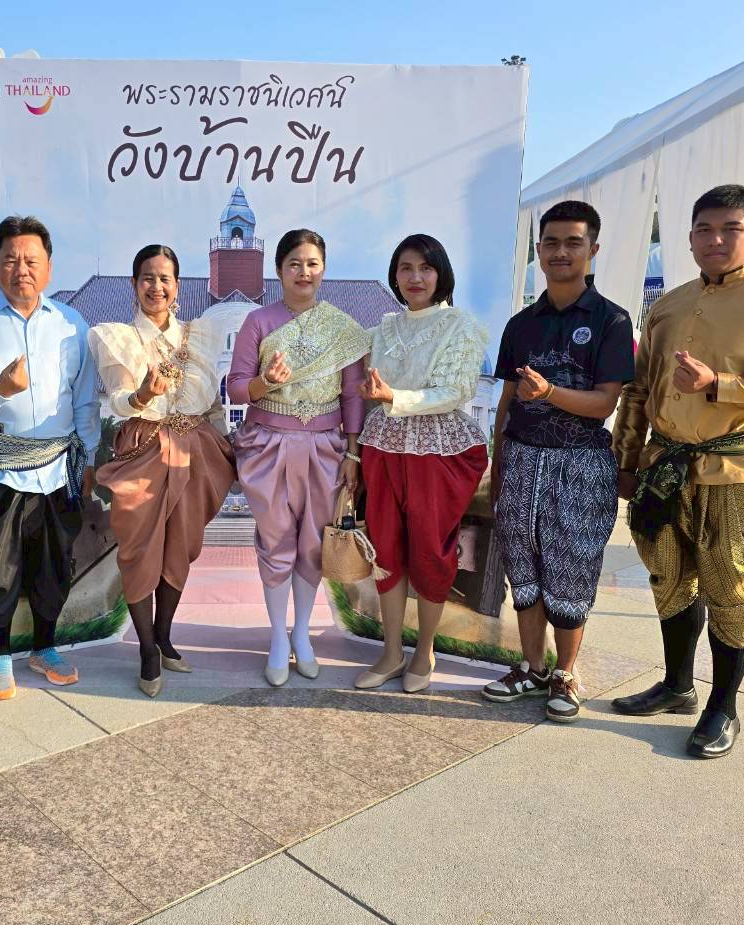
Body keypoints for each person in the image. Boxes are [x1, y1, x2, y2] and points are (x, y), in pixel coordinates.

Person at [611, 184, 744, 758]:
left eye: (730, 229)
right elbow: (638, 390)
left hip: (739, 471)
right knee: (669, 580)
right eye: (704, 229)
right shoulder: (668, 305)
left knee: (733, 589)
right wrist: (625, 461)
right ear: (688, 238)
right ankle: (678, 685)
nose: (716, 240)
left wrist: (719, 386)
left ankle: (723, 707)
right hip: (664, 466)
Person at [479, 202, 636, 722]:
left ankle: (565, 672)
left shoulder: (611, 320)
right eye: (551, 243)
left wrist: (549, 393)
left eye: (573, 242)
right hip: (524, 459)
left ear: (592, 249)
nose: (561, 252)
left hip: (579, 465)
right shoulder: (522, 323)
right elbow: (506, 401)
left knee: (571, 568)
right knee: (522, 566)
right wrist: (499, 466)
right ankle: (531, 666)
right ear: (538, 251)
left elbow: (605, 402)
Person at [0, 215, 100, 700]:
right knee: (0, 569)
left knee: (54, 566)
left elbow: (85, 398)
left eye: (31, 260)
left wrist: (89, 458)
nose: (21, 269)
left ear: (49, 268)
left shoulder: (70, 324)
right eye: (10, 259)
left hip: (58, 469)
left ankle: (45, 647)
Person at [89, 245, 237, 697]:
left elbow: (212, 403)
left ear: (177, 287)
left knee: (181, 547)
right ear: (134, 285)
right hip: (142, 444)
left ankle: (166, 636)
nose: (156, 286)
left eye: (165, 278)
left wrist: (222, 449)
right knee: (138, 548)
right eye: (147, 278)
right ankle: (147, 649)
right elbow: (114, 402)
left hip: (196, 450)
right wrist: (140, 396)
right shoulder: (117, 337)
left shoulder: (201, 335)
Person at [227, 229, 369, 686]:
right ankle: (276, 638)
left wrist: (353, 452)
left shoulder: (344, 328)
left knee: (313, 541)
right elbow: (235, 387)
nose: (303, 272)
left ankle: (302, 635)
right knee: (275, 540)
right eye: (294, 264)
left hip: (327, 447)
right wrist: (266, 383)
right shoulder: (258, 322)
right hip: (269, 441)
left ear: (323, 268)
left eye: (312, 263)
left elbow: (352, 395)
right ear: (279, 270)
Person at [353, 235, 490, 693]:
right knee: (385, 547)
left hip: (440, 451)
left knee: (431, 549)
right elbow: (362, 389)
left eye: (425, 268)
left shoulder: (461, 325)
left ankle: (424, 650)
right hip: (384, 447)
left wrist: (395, 396)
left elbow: (455, 391)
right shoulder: (381, 328)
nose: (415, 277)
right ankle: (391, 652)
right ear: (394, 274)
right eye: (406, 268)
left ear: (441, 274)